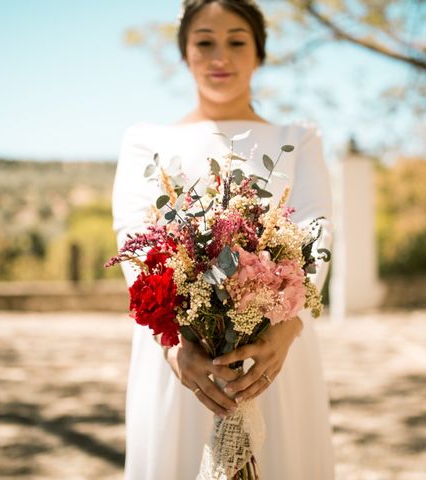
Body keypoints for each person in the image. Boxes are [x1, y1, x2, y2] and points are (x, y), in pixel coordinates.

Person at [112, 1, 335, 478]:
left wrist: (286, 330)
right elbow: (132, 238)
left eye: (236, 41)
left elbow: (317, 231)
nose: (221, 57)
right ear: (184, 53)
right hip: (180, 360)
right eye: (204, 42)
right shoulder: (144, 141)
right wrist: (173, 345)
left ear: (259, 53)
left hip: (276, 353)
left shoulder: (299, 138)